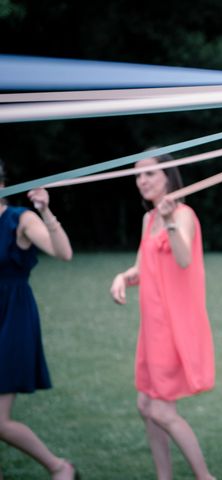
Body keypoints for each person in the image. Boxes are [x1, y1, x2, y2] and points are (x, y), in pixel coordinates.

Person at [110, 152, 216, 480]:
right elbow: (141, 269)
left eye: (150, 174)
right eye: (138, 175)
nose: (142, 181)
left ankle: (205, 477)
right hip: (152, 327)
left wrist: (170, 222)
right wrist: (122, 277)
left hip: (173, 326)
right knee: (146, 406)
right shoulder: (147, 219)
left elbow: (183, 258)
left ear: (168, 177)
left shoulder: (182, 214)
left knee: (160, 409)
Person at [0, 159, 77, 480]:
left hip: (12, 317)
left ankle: (59, 467)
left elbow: (63, 252)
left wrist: (45, 212)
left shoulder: (21, 219)